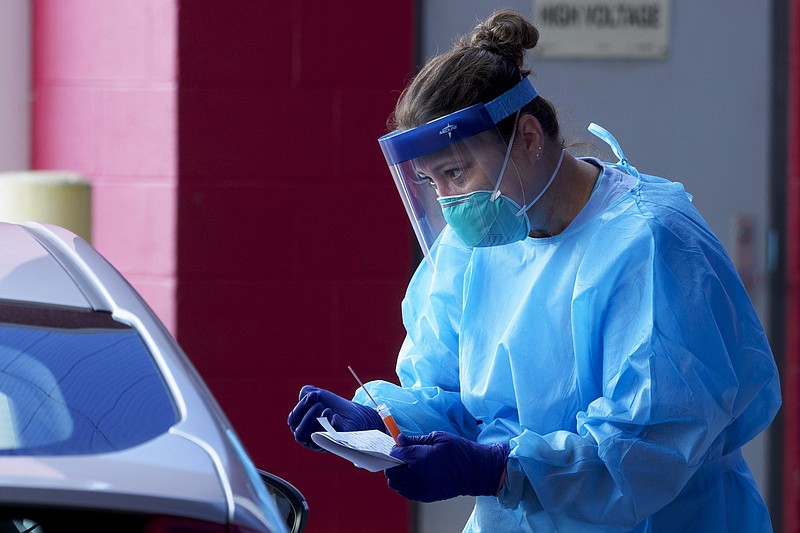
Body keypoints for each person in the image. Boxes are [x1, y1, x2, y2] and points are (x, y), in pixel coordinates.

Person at [288, 9, 781, 532]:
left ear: (527, 137)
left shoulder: (650, 242)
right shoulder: (474, 247)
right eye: (433, 184)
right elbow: (447, 390)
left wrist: (499, 467)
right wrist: (380, 421)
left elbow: (649, 445)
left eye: (456, 172)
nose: (451, 203)